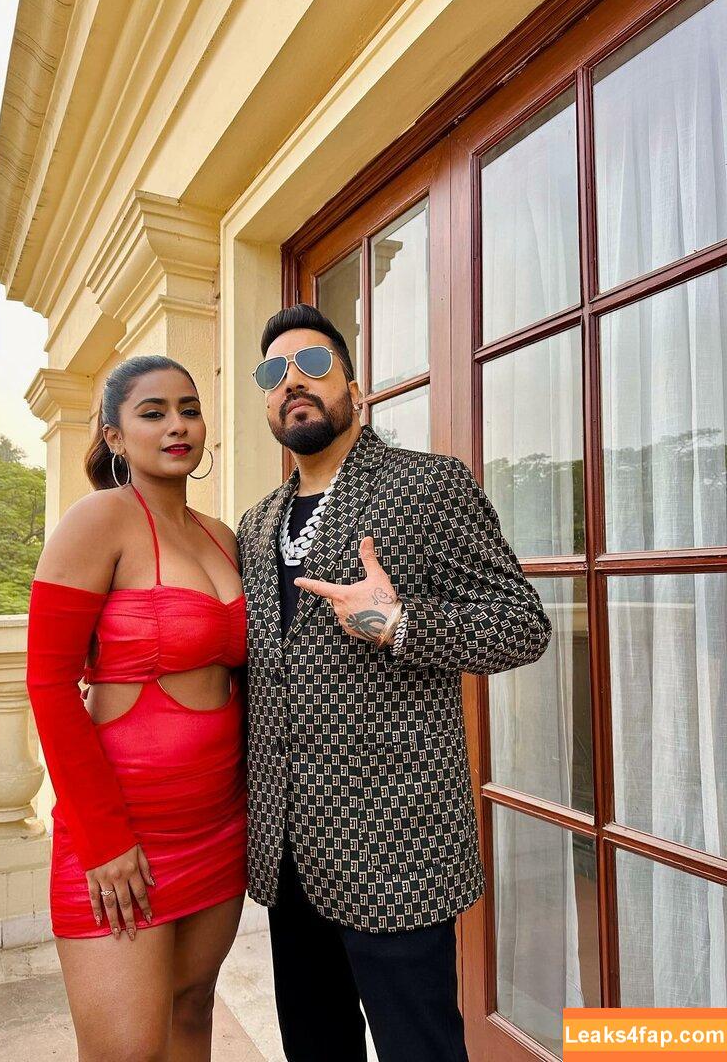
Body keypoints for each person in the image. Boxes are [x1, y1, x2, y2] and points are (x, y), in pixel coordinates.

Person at [236, 304, 553, 1062]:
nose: (293, 383)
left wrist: (401, 623)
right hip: (288, 851)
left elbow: (522, 625)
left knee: (421, 1049)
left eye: (314, 365)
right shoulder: (256, 523)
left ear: (354, 388)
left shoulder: (427, 486)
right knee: (315, 1048)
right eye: (274, 373)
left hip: (397, 847)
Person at [25, 354, 247, 1061]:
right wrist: (103, 839)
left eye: (189, 410)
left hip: (219, 823)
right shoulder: (98, 521)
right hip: (125, 834)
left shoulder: (222, 536)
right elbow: (48, 684)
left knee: (192, 1012)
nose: (177, 426)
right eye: (153, 413)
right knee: (128, 1052)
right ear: (115, 436)